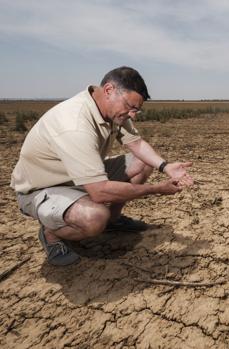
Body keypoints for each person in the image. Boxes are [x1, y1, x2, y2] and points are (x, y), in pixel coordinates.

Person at [10, 66, 193, 266]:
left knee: (143, 163)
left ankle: (113, 221)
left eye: (137, 110)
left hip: (77, 175)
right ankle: (51, 232)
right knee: (95, 216)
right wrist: (156, 189)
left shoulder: (113, 111)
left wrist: (166, 167)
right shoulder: (75, 123)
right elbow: (100, 193)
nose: (133, 115)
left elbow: (136, 144)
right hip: (43, 187)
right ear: (108, 90)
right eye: (131, 107)